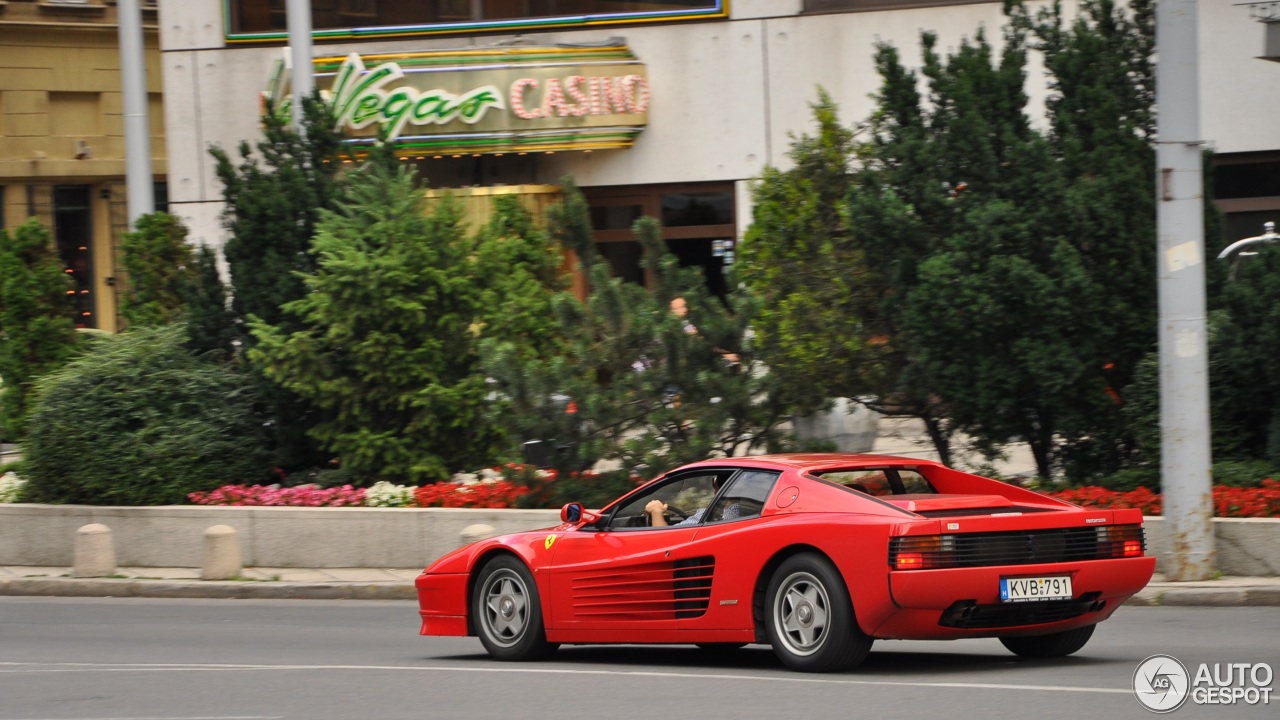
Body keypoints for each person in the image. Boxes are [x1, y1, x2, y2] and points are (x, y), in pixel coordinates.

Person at [643, 475, 739, 527]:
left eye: (714, 483)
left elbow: (664, 540)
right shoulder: (745, 514)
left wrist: (656, 512)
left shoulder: (710, 518)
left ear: (717, 487)